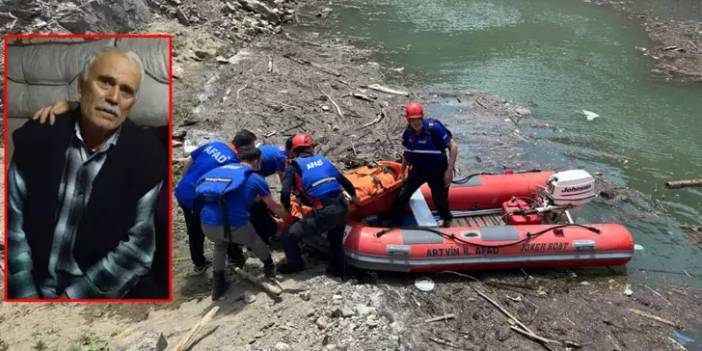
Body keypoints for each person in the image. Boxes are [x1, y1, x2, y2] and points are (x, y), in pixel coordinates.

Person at [7, 47, 166, 299]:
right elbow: (13, 228)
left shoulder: (147, 157)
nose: (114, 97)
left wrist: (72, 299)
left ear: (132, 102)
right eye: (105, 82)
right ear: (82, 85)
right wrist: (26, 298)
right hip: (31, 286)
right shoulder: (38, 136)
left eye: (126, 91)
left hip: (98, 291)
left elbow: (137, 250)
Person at [195, 146, 292, 300]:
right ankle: (269, 267)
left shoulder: (223, 170)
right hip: (234, 225)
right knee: (254, 240)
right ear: (256, 162)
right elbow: (274, 206)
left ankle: (218, 286)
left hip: (207, 222)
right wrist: (289, 220)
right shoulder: (255, 178)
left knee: (220, 245)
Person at [278, 133, 361, 278]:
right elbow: (345, 182)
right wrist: (355, 199)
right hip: (342, 206)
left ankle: (296, 265)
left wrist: (286, 210)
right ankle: (339, 271)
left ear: (294, 150)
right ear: (310, 148)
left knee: (289, 235)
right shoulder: (323, 160)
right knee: (335, 240)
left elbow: (285, 192)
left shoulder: (293, 166)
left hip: (325, 211)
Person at [175, 129, 256, 274]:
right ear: (244, 148)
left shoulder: (214, 145)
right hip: (195, 198)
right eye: (252, 147)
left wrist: (186, 181)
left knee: (193, 229)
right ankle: (233, 258)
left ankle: (200, 263)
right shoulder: (232, 160)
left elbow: (189, 160)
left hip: (182, 190)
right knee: (222, 223)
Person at [387, 102, 458, 227]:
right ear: (408, 120)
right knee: (403, 193)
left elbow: (453, 146)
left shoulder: (434, 128)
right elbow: (407, 153)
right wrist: (402, 171)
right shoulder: (407, 133)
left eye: (417, 119)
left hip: (437, 170)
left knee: (440, 199)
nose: (415, 123)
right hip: (419, 169)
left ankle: (447, 220)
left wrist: (449, 170)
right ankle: (392, 219)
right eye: (412, 120)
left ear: (422, 117)